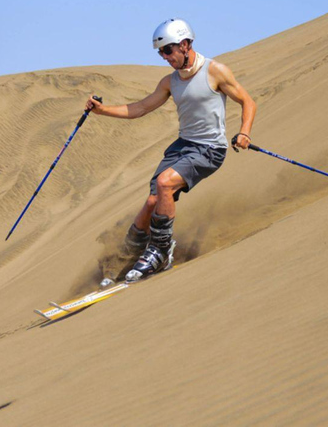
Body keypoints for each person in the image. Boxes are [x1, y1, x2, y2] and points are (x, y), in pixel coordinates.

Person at [86, 18, 257, 281]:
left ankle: (160, 250)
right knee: (153, 201)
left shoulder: (215, 71)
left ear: (185, 44)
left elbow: (248, 102)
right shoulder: (170, 82)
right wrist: (103, 111)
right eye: (161, 52)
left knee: (165, 183)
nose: (165, 57)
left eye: (167, 50)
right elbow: (140, 108)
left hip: (209, 149)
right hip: (182, 147)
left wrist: (244, 132)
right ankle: (129, 253)